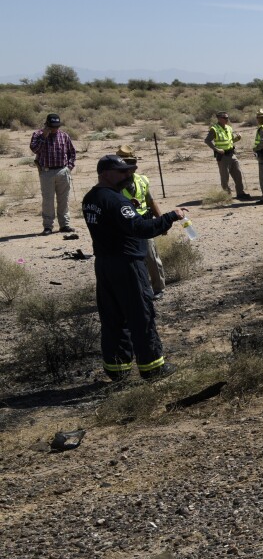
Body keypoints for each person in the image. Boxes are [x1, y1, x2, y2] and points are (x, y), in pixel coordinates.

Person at [82, 155, 186, 382]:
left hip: (105, 265)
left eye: (128, 171)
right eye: (122, 172)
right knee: (141, 316)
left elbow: (114, 220)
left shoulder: (91, 198)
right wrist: (170, 217)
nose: (127, 175)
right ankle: (152, 368)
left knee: (113, 318)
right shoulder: (115, 201)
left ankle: (117, 369)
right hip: (128, 265)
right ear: (105, 173)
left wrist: (130, 207)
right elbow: (140, 228)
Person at [115, 144, 166, 298]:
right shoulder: (113, 184)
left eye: (132, 162)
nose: (131, 167)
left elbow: (151, 201)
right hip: (125, 225)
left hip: (144, 223)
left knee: (151, 256)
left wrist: (161, 222)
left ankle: (158, 288)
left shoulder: (142, 180)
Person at [29, 113, 78, 235]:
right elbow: (35, 149)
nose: (54, 129)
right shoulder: (37, 135)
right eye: (52, 126)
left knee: (64, 200)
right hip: (46, 172)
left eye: (56, 126)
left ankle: (64, 225)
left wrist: (69, 167)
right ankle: (48, 227)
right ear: (46, 125)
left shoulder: (64, 136)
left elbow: (72, 152)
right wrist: (44, 137)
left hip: (63, 171)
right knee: (48, 201)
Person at [204, 111, 252, 201]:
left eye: (227, 118)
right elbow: (207, 141)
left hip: (232, 155)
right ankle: (227, 195)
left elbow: (230, 141)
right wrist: (216, 149)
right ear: (219, 118)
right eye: (224, 118)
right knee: (225, 177)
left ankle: (240, 193)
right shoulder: (214, 129)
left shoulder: (229, 128)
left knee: (238, 174)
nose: (227, 119)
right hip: (222, 157)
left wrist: (237, 138)